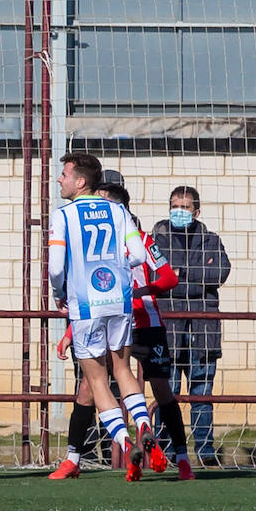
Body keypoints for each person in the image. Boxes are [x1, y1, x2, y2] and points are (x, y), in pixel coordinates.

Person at [55, 176, 188, 479]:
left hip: (143, 323)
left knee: (159, 390)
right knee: (89, 387)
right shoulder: (99, 245)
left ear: (120, 209)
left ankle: (181, 459)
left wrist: (139, 292)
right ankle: (73, 459)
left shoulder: (141, 239)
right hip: (116, 318)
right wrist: (68, 333)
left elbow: (168, 278)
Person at [47, 153, 152, 481]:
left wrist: (58, 293)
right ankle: (145, 425)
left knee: (95, 380)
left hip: (86, 304)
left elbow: (54, 268)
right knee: (122, 369)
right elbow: (138, 255)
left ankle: (124, 441)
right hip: (119, 301)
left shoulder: (63, 215)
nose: (59, 180)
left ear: (80, 181)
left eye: (64, 174)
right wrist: (113, 267)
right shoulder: (119, 210)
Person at [152, 186, 232, 466]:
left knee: (201, 393)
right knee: (167, 393)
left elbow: (219, 272)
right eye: (175, 206)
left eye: (185, 207)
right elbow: (154, 276)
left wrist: (178, 273)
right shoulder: (156, 240)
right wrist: (189, 279)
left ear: (196, 212)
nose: (180, 211)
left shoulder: (211, 240)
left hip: (202, 331)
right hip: (168, 330)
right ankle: (168, 450)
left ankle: (205, 450)